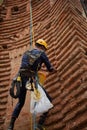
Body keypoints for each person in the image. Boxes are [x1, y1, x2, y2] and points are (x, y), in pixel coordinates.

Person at [8, 39, 56, 130]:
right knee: (49, 99)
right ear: (42, 47)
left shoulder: (26, 53)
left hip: (21, 79)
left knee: (20, 102)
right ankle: (40, 124)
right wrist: (53, 70)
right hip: (31, 81)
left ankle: (11, 126)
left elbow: (27, 67)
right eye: (45, 49)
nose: (44, 51)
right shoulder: (42, 54)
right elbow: (50, 68)